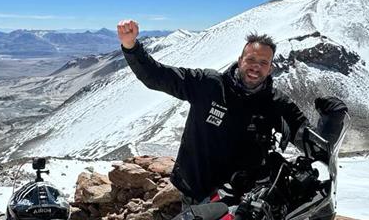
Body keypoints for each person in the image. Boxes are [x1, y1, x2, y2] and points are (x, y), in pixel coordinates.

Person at [117, 19, 310, 208]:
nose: (255, 66)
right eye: (250, 59)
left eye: (263, 62)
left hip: (243, 199)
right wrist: (131, 46)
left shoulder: (275, 102)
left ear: (270, 69)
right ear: (240, 60)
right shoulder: (209, 85)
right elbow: (157, 76)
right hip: (197, 191)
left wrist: (332, 123)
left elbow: (306, 135)